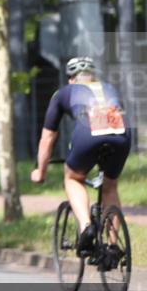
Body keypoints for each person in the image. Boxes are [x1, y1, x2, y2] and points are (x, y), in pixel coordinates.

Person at [31, 56, 131, 257]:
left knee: (72, 178)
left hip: (88, 130)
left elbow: (48, 137)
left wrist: (40, 172)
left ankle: (87, 228)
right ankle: (113, 247)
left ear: (70, 79)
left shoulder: (62, 93)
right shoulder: (108, 87)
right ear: (93, 76)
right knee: (110, 185)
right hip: (121, 132)